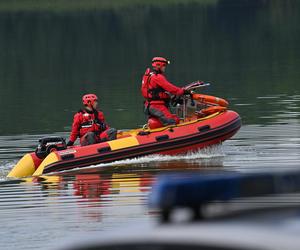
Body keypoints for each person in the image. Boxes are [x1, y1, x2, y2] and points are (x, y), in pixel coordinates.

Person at [141, 57, 189, 128]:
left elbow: (156, 90)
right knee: (171, 121)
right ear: (158, 65)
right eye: (163, 66)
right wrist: (182, 91)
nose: (164, 68)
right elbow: (170, 88)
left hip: (149, 105)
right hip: (157, 106)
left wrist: (169, 96)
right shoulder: (158, 77)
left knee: (165, 120)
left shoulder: (149, 75)